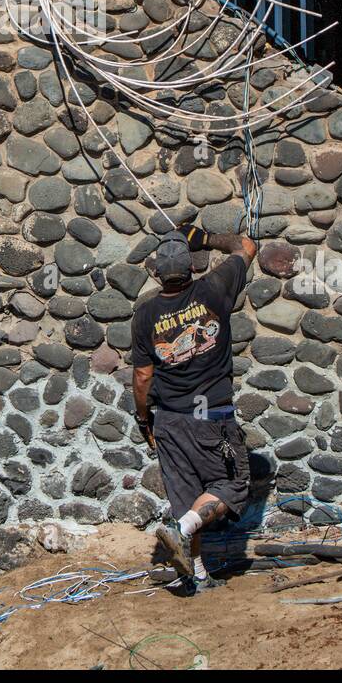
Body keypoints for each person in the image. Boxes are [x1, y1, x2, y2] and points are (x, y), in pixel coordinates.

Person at [132, 224, 257, 592]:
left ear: (156, 272)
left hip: (169, 419)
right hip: (209, 415)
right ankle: (180, 531)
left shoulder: (145, 314)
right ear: (192, 268)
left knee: (188, 499)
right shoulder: (215, 288)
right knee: (233, 486)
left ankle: (199, 575)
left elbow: (142, 377)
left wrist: (144, 420)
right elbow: (246, 245)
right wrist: (205, 237)